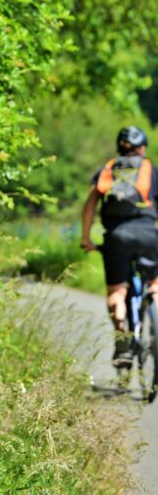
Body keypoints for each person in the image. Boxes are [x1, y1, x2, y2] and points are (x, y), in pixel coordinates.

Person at [81, 126, 158, 367]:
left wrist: (86, 238)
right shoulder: (150, 170)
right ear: (142, 148)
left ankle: (123, 341)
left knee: (117, 292)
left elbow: (90, 204)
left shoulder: (107, 169)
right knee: (155, 284)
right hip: (148, 234)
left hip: (116, 236)